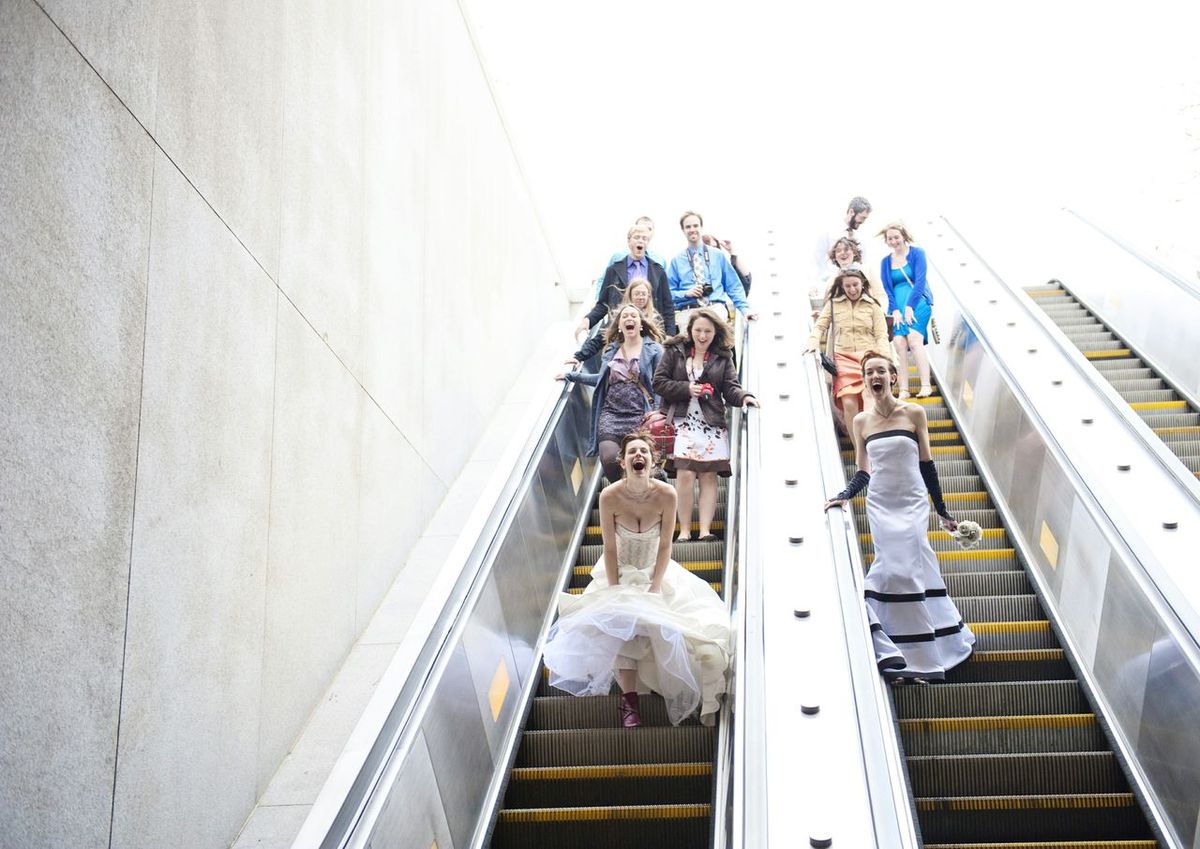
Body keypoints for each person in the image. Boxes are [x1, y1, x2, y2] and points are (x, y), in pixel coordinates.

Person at [542, 432, 731, 727]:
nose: (638, 455)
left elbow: (667, 544)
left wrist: (655, 587)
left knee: (688, 633)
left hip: (657, 569)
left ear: (654, 462)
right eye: (632, 452)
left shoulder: (666, 495)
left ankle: (673, 688)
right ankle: (628, 702)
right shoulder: (609, 496)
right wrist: (616, 590)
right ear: (623, 461)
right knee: (620, 621)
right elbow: (609, 546)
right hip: (620, 570)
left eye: (644, 451)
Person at [824, 352, 975, 684]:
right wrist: (844, 495)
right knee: (894, 572)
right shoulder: (861, 421)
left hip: (912, 502)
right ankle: (898, 653)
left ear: (892, 376)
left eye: (881, 371)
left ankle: (918, 658)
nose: (875, 376)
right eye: (869, 372)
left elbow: (927, 465)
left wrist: (942, 509)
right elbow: (863, 471)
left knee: (906, 572)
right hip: (880, 503)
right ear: (864, 380)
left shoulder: (914, 413)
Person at [654, 309, 759, 542]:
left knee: (709, 476)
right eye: (698, 330)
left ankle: (704, 530)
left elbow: (731, 386)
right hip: (682, 422)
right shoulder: (674, 351)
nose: (702, 335)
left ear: (715, 333)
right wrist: (685, 388)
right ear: (690, 331)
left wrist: (744, 397)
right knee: (685, 475)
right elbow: (659, 382)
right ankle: (683, 530)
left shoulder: (722, 357)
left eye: (708, 331)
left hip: (711, 423)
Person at [559, 304, 664, 482]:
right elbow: (601, 379)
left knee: (646, 465)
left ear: (641, 324)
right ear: (620, 326)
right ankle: (624, 496)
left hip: (641, 415)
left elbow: (661, 383)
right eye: (624, 317)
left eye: (633, 316)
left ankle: (658, 495)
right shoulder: (612, 350)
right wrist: (572, 376)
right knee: (609, 459)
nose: (629, 318)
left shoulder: (654, 350)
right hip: (611, 414)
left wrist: (658, 411)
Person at [804, 267, 891, 433]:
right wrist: (812, 341)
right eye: (848, 286)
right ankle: (859, 450)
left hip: (868, 360)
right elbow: (820, 325)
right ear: (842, 286)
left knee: (869, 399)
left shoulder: (873, 306)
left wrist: (884, 359)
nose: (852, 289)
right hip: (843, 359)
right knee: (848, 404)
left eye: (855, 285)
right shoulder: (834, 304)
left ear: (863, 284)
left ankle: (871, 440)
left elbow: (881, 335)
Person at [578, 225, 676, 337]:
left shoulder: (658, 271)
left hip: (651, 331)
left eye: (644, 238)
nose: (641, 241)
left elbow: (668, 305)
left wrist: (670, 334)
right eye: (637, 237)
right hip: (622, 330)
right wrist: (588, 320)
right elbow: (603, 304)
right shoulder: (613, 270)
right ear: (629, 241)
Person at [667, 211, 757, 323]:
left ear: (701, 227)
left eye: (695, 225)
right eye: (688, 227)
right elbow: (667, 293)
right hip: (689, 312)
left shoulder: (718, 255)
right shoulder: (676, 261)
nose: (692, 229)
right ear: (683, 230)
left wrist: (745, 310)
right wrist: (686, 293)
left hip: (715, 309)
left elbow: (734, 286)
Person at [878, 222, 934, 398]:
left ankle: (926, 385)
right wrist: (894, 310)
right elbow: (888, 288)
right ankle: (903, 389)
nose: (894, 241)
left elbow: (919, 282)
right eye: (890, 238)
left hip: (917, 303)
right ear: (886, 241)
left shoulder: (917, 254)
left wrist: (910, 306)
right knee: (899, 343)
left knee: (914, 340)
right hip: (897, 306)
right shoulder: (885, 262)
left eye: (896, 237)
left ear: (903, 236)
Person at [568, 278, 664, 368]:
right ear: (630, 295)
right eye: (637, 294)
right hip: (622, 368)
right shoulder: (620, 318)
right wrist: (578, 357)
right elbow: (599, 339)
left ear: (649, 296)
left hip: (647, 370)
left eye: (643, 294)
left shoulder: (655, 320)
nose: (640, 297)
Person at [592, 215, 667, 300]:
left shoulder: (660, 260)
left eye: (649, 229)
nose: (644, 230)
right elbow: (604, 281)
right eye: (640, 227)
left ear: (653, 233)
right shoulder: (618, 257)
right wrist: (598, 300)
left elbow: (665, 290)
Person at [814, 196, 872, 279]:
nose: (863, 222)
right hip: (831, 280)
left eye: (865, 218)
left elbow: (863, 261)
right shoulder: (828, 232)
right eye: (862, 217)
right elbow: (818, 259)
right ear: (851, 212)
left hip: (854, 284)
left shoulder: (860, 237)